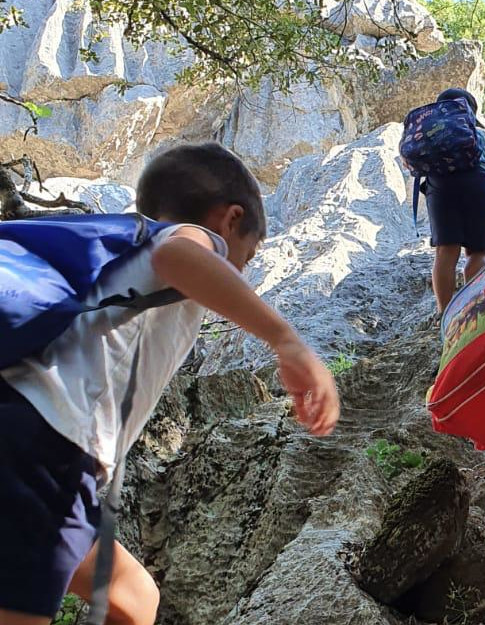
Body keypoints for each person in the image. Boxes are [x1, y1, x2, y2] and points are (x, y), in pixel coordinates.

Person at [0, 143, 341, 625]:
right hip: (46, 444)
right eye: (250, 253)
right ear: (230, 220)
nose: (240, 269)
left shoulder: (116, 255)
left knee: (135, 598)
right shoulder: (185, 239)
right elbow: (178, 253)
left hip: (31, 442)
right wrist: (288, 342)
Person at [421, 88, 485, 313]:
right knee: (478, 254)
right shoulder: (479, 139)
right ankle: (476, 309)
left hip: (440, 190)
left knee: (446, 252)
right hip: (479, 189)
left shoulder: (430, 138)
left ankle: (444, 314)